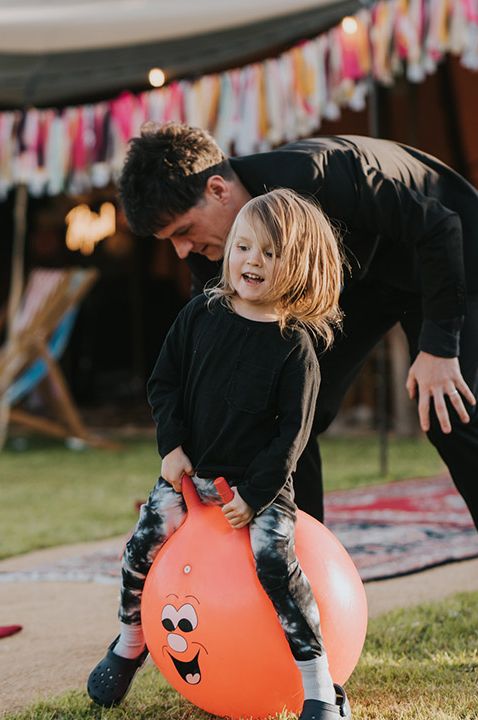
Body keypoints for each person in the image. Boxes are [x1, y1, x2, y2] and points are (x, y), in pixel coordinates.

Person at [118, 121, 478, 529]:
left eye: (183, 231)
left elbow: (439, 226)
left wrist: (440, 348)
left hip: (448, 257)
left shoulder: (316, 174)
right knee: (286, 407)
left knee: (452, 412)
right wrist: (181, 440)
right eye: (169, 240)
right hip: (355, 289)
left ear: (218, 190)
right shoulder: (211, 254)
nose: (182, 250)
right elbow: (211, 356)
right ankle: (298, 563)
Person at [87, 189, 351, 720]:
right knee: (140, 547)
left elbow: (292, 438)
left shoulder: (294, 348)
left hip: (261, 488)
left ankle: (318, 683)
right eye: (244, 247)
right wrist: (172, 447)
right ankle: (130, 639)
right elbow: (164, 382)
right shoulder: (200, 315)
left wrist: (255, 495)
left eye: (271, 254)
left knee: (275, 565)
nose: (252, 261)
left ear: (298, 266)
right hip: (192, 475)